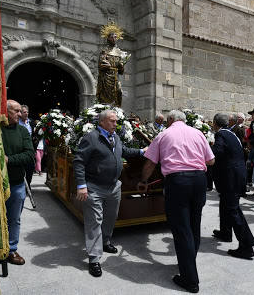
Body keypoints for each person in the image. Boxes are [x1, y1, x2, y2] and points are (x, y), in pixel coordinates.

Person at [138, 110, 215, 293]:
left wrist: (143, 181)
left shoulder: (164, 134)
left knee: (181, 228)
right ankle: (189, 261)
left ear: (171, 120)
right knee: (194, 224)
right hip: (198, 180)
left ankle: (190, 279)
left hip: (178, 181)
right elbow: (211, 160)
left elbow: (150, 163)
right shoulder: (197, 133)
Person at [73, 109, 144, 277]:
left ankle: (105, 242)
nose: (116, 123)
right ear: (102, 122)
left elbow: (124, 151)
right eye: (112, 121)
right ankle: (94, 258)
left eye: (116, 120)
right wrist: (81, 185)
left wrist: (142, 151)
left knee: (111, 217)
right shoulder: (91, 138)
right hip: (94, 187)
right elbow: (79, 161)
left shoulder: (116, 137)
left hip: (113, 187)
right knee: (94, 222)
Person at [210, 113, 254, 259]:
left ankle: (246, 245)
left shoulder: (221, 135)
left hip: (230, 177)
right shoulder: (231, 134)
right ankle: (225, 232)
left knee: (233, 209)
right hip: (235, 175)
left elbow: (216, 153)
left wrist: (206, 149)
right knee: (225, 204)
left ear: (215, 124)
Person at [1, 100, 35, 265]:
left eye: (21, 111)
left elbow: (30, 155)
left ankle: (11, 249)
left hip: (16, 183)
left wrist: (9, 160)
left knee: (14, 218)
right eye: (16, 111)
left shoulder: (22, 131)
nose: (20, 114)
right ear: (5, 111)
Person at [96, 22, 130, 107]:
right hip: (106, 76)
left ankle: (117, 109)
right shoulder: (105, 51)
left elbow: (121, 72)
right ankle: (104, 109)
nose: (114, 39)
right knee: (106, 95)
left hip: (115, 76)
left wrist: (121, 66)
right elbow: (100, 64)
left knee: (119, 91)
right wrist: (106, 64)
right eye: (112, 37)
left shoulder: (119, 52)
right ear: (108, 38)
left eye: (115, 37)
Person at [19, 105, 35, 186]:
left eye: (27, 112)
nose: (26, 114)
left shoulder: (31, 122)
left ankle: (28, 184)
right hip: (20, 149)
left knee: (30, 168)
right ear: (20, 113)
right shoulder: (17, 123)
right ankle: (22, 185)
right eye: (24, 112)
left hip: (30, 149)